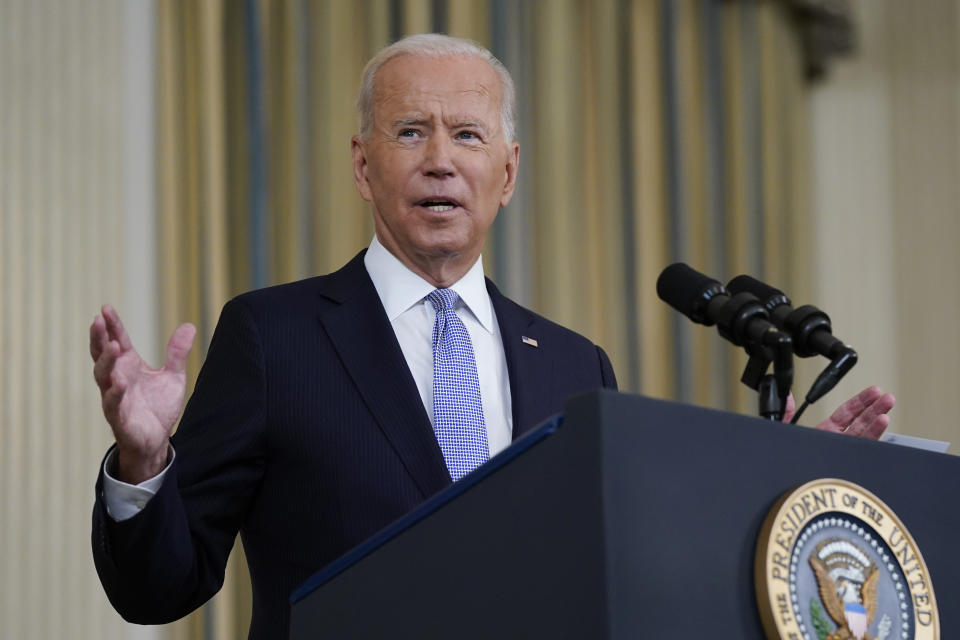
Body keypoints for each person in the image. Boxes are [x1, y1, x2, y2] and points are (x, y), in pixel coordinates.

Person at [89, 34, 894, 638]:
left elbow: (631, 572)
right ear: (363, 167)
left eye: (467, 136)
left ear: (506, 175)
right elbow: (159, 588)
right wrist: (143, 463)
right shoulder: (275, 337)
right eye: (410, 132)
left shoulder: (578, 367)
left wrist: (773, 492)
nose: (440, 160)